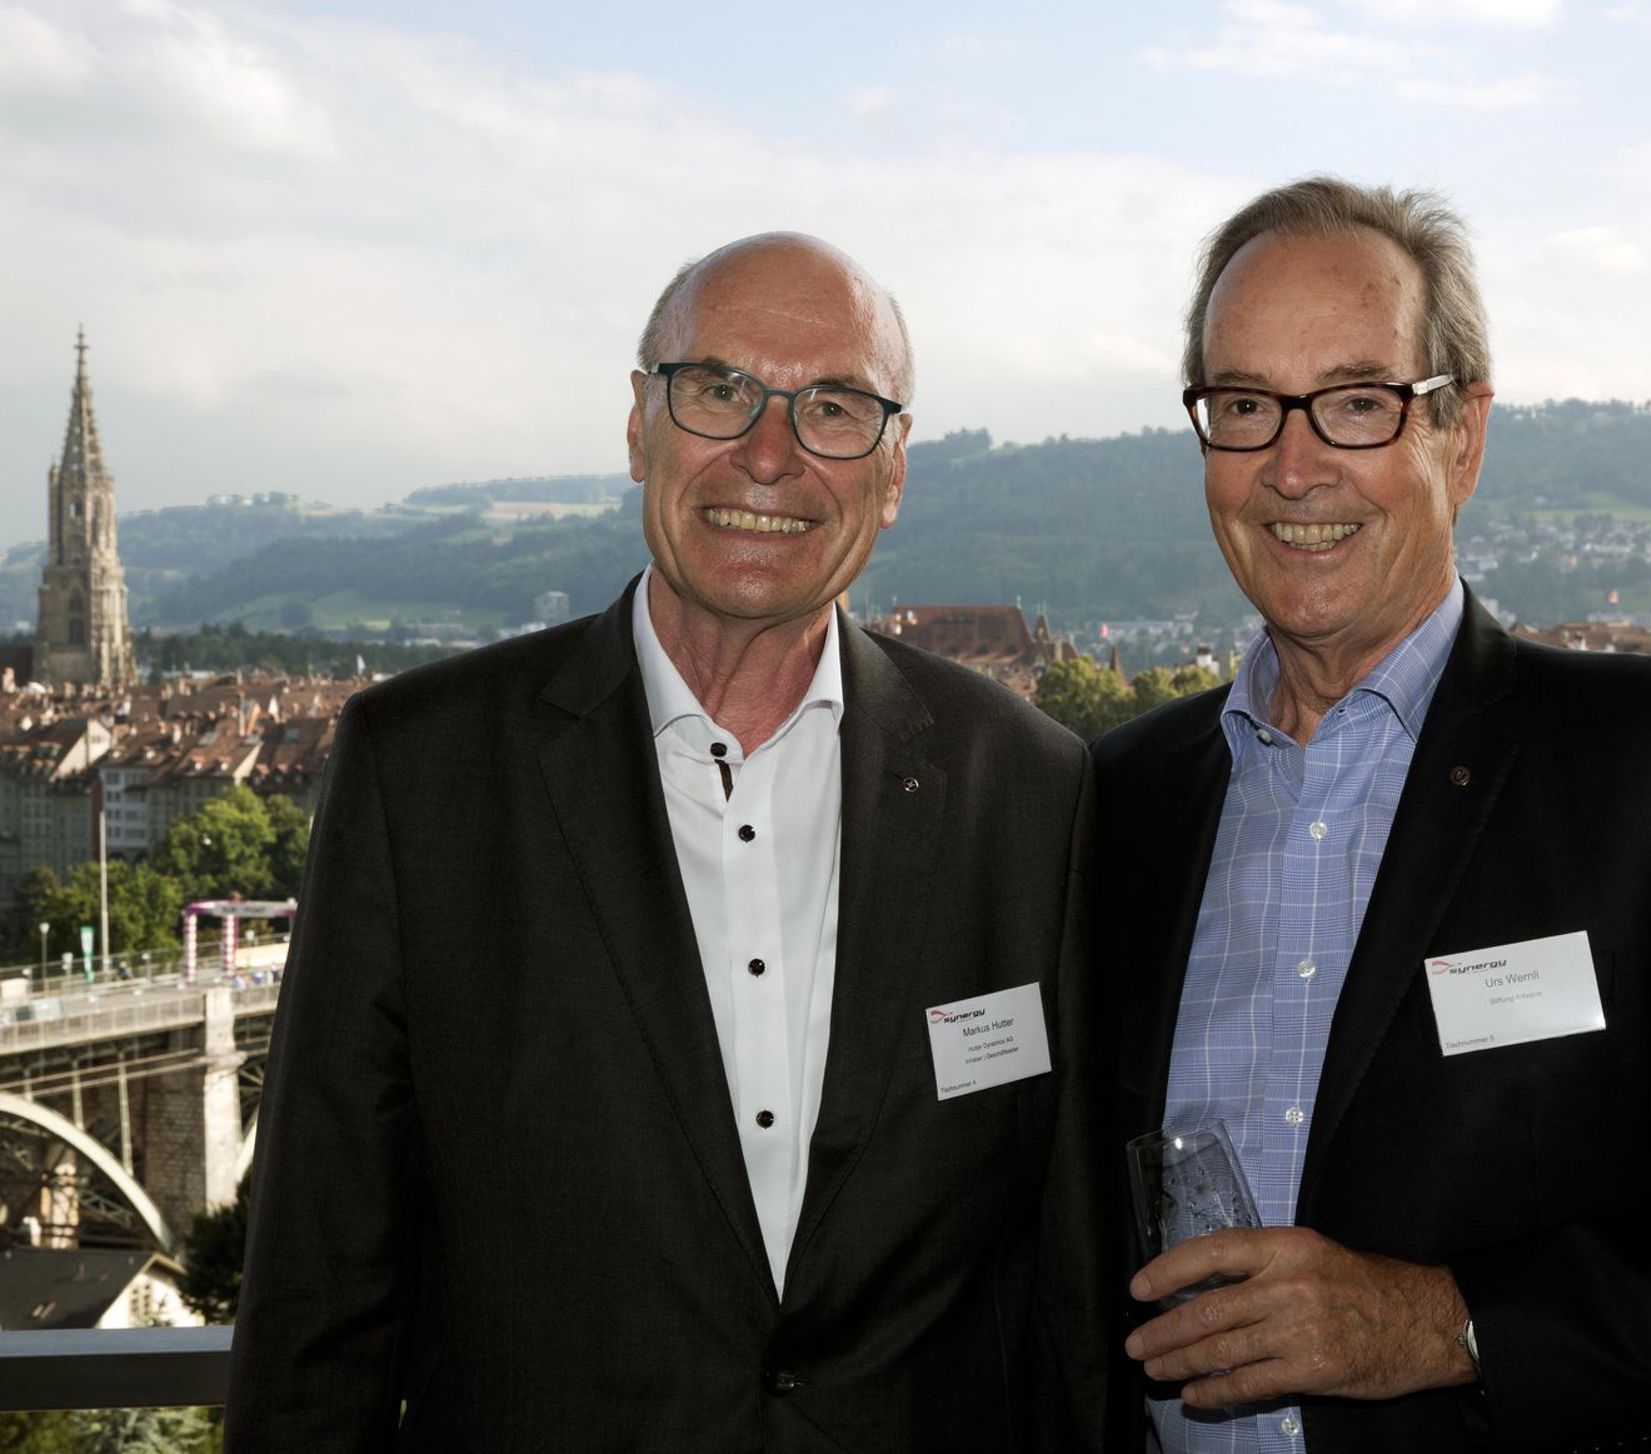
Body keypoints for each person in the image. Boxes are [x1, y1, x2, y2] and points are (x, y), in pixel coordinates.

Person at [1093, 177, 1651, 1452]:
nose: (1291, 464)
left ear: (1462, 436)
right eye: (1242, 404)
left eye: (1355, 400)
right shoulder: (1121, 798)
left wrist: (1447, 1323)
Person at [226, 233, 1106, 1451]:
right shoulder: (422, 771)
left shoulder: (1025, 785)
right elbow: (319, 1288)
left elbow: (1065, 1280)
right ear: (640, 425)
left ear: (893, 470)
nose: (768, 453)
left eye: (832, 407)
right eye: (720, 389)